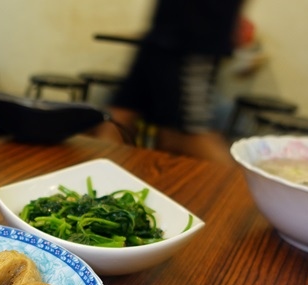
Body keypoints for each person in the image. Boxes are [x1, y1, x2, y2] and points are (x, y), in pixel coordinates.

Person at [92, 0, 246, 164]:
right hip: (162, 35)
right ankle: (99, 175)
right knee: (118, 118)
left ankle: (244, 187)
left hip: (191, 38)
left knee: (187, 134)